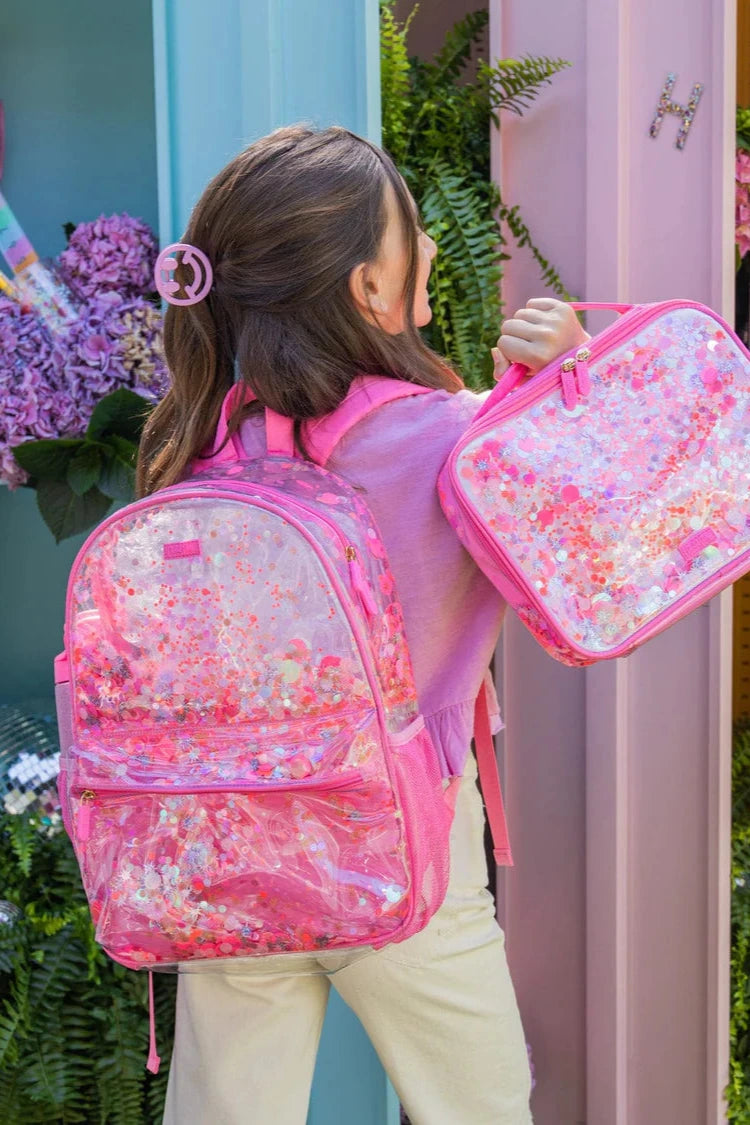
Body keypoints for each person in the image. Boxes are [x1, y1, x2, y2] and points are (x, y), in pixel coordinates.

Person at [138, 124, 588, 1125]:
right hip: (404, 849)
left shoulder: (195, 452)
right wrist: (571, 376)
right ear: (367, 291)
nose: (428, 246)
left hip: (234, 849)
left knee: (226, 1111)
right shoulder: (456, 443)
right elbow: (607, 538)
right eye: (410, 231)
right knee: (479, 1107)